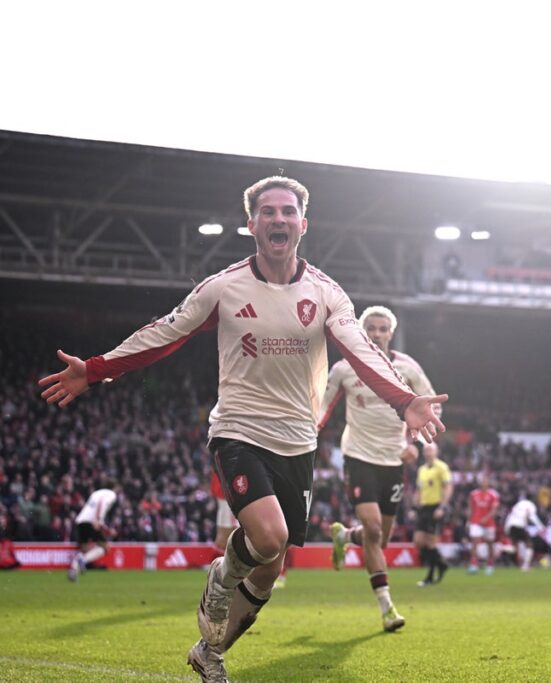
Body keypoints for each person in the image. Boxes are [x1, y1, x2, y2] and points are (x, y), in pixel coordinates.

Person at [39, 176, 448, 683]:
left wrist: (406, 400)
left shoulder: (325, 293)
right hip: (238, 430)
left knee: (271, 568)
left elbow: (360, 351)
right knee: (269, 536)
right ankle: (221, 574)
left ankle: (210, 653)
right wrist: (96, 369)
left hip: (298, 441)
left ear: (304, 224)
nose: (279, 219)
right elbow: (167, 332)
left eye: (288, 212)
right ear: (251, 224)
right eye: (268, 211)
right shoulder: (225, 286)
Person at [319, 304, 440, 632]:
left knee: (380, 540)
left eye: (382, 328)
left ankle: (344, 535)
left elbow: (432, 408)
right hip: (358, 456)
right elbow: (320, 410)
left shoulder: (408, 369)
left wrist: (415, 445)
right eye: (370, 328)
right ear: (361, 330)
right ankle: (387, 608)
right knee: (372, 530)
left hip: (393, 461)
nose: (376, 334)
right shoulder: (344, 369)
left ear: (391, 332)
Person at [414, 442, 453, 586]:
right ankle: (442, 564)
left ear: (436, 452)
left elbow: (448, 487)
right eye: (426, 450)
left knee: (430, 542)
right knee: (418, 541)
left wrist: (442, 507)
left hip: (435, 506)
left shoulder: (442, 467)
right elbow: (419, 490)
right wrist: (414, 507)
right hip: (424, 508)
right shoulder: (421, 470)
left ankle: (430, 576)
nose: (428, 452)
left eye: (430, 450)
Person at [67, 483, 119, 582]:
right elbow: (102, 503)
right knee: (104, 547)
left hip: (81, 520)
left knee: (84, 549)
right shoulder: (111, 494)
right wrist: (99, 520)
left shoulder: (96, 493)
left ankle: (73, 570)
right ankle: (83, 560)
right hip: (92, 520)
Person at [467, 471, 501, 576]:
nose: (483, 482)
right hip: (476, 521)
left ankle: (490, 565)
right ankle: (474, 565)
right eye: (482, 481)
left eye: (485, 481)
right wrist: (468, 521)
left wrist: (486, 518)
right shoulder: (473, 494)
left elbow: (495, 509)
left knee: (489, 544)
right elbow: (470, 508)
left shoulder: (493, 494)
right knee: (475, 542)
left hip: (489, 523)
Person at [504, 494, 544, 571]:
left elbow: (510, 515)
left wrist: (506, 528)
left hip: (511, 525)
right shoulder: (531, 505)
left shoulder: (518, 504)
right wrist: (541, 526)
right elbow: (532, 517)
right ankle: (525, 566)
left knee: (514, 547)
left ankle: (504, 548)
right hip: (519, 525)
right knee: (529, 544)